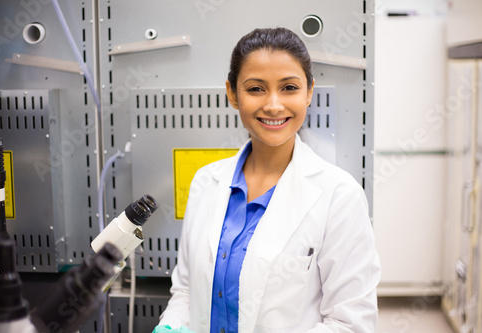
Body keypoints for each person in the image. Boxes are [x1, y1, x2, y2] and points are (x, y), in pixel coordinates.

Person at [153, 27, 381, 333]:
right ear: (232, 94)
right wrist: (171, 325)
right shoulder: (206, 182)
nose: (273, 105)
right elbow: (185, 290)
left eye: (289, 88)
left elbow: (351, 324)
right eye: (256, 89)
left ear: (309, 92)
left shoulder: (339, 196)